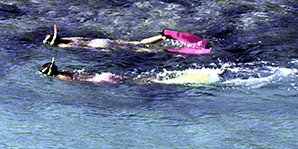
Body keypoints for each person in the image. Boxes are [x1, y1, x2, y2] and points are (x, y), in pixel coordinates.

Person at [43, 25, 211, 54]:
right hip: (103, 41)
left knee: (139, 50)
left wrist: (52, 43)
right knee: (138, 43)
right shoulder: (70, 39)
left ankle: (168, 51)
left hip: (102, 46)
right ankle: (162, 36)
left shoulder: (65, 46)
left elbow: (56, 43)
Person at [39, 60, 221, 85]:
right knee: (134, 78)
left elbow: (81, 82)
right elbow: (85, 73)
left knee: (133, 83)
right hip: (102, 73)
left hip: (100, 80)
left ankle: (154, 81)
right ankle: (158, 76)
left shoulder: (62, 76)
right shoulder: (66, 70)